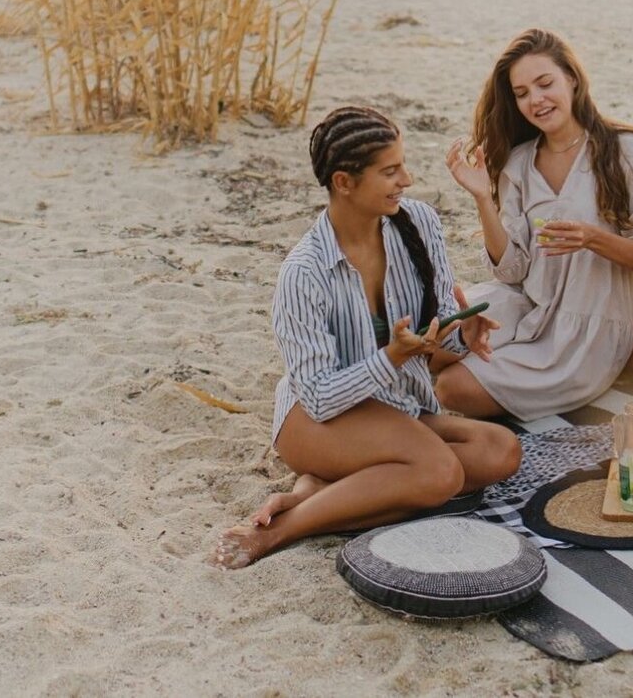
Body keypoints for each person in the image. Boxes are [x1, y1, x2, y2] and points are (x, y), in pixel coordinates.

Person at [210, 107, 519, 568]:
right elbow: (317, 397)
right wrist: (392, 356)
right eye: (390, 171)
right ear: (344, 182)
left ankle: (321, 494)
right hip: (315, 420)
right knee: (439, 472)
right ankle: (282, 531)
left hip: (396, 408)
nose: (407, 180)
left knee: (500, 450)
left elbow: (434, 342)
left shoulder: (419, 223)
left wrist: (459, 333)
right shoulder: (304, 272)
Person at [436, 30, 633, 419]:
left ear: (573, 79)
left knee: (453, 387)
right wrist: (483, 198)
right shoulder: (517, 164)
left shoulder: (626, 151)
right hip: (528, 304)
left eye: (545, 83)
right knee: (437, 338)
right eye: (522, 92)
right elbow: (512, 270)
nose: (536, 100)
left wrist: (593, 239)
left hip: (587, 331)